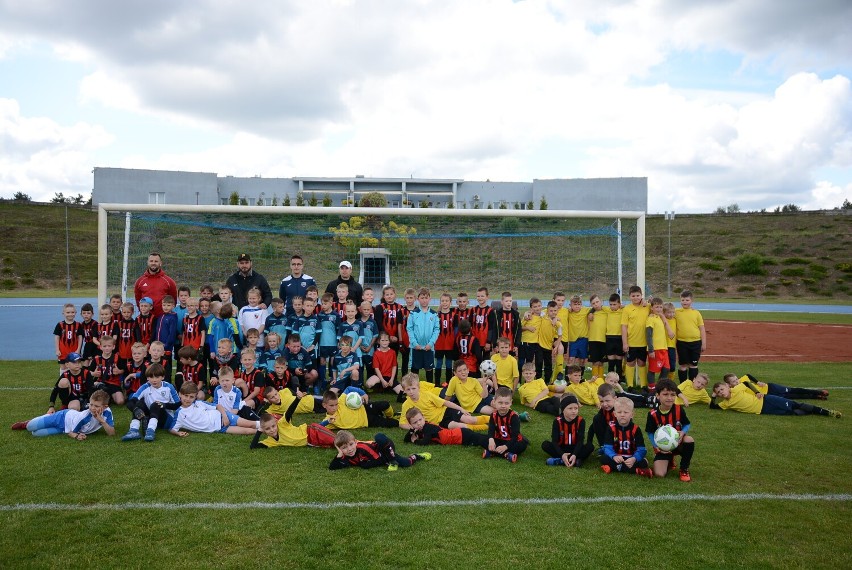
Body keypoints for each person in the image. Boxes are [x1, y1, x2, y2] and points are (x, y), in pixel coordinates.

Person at [398, 373, 488, 431]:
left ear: (418, 387)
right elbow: (402, 423)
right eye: (408, 389)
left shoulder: (426, 395)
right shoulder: (406, 405)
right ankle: (486, 427)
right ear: (404, 390)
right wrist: (414, 428)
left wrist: (461, 409)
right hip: (439, 423)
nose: (411, 392)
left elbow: (445, 402)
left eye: (413, 388)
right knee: (461, 427)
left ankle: (492, 419)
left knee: (470, 420)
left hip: (446, 412)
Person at [11, 389, 115, 439]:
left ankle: (50, 425)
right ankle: (27, 423)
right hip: (62, 417)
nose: (92, 408)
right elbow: (71, 433)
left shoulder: (108, 412)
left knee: (36, 434)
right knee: (30, 427)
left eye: (96, 406)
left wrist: (102, 421)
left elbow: (112, 433)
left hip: (64, 427)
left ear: (105, 407)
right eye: (91, 404)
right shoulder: (85, 416)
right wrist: (77, 436)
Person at [645, 379, 695, 481]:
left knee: (689, 439)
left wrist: (683, 432)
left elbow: (687, 423)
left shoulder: (678, 409)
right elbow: (650, 432)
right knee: (659, 474)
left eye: (672, 395)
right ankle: (670, 459)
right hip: (663, 448)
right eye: (665, 394)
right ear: (658, 395)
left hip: (678, 443)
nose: (669, 398)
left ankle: (684, 469)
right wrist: (656, 446)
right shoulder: (652, 414)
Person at [169, 381, 260, 436]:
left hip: (223, 416)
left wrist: (224, 416)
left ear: (195, 397)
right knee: (247, 431)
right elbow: (172, 429)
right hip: (219, 428)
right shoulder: (179, 413)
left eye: (191, 397)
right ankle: (265, 430)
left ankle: (270, 426)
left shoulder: (199, 403)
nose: (188, 399)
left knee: (250, 424)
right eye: (186, 396)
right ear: (180, 394)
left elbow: (218, 406)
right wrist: (178, 433)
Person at [711, 381, 840, 417]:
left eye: (721, 389)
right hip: (763, 411)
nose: (721, 393)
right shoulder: (725, 404)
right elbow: (713, 407)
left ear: (727, 387)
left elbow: (746, 383)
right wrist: (713, 397)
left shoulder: (736, 389)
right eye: (718, 392)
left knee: (795, 404)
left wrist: (756, 392)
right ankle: (813, 411)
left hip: (767, 400)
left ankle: (827, 412)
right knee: (792, 412)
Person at [121, 363, 180, 442]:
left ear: (163, 377)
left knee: (156, 404)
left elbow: (178, 405)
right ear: (147, 378)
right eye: (151, 377)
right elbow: (130, 402)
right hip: (152, 416)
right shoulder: (145, 386)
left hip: (166, 419)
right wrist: (136, 410)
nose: (154, 380)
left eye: (157, 377)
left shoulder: (168, 387)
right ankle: (134, 430)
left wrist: (164, 405)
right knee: (139, 404)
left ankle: (150, 432)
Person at [600, 397, 653, 477]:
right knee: (603, 458)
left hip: (631, 458)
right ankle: (636, 470)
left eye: (626, 412)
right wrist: (614, 456)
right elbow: (607, 447)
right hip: (617, 457)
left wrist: (634, 458)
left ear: (632, 414)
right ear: (615, 414)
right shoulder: (611, 428)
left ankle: (613, 468)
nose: (622, 415)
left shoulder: (636, 429)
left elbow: (642, 449)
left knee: (644, 462)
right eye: (619, 412)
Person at [328, 430, 430, 471]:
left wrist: (365, 465)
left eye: (351, 445)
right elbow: (332, 467)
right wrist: (339, 454)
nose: (349, 449)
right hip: (382, 456)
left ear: (355, 442)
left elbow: (379, 459)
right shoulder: (344, 456)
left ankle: (395, 460)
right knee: (405, 463)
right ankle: (412, 456)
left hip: (384, 448)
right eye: (344, 448)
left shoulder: (362, 448)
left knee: (379, 437)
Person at [542, 395, 594, 467]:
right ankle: (573, 461)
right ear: (563, 410)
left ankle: (562, 461)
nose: (573, 411)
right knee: (545, 445)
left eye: (576, 408)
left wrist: (575, 454)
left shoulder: (581, 421)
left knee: (590, 446)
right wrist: (562, 454)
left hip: (576, 449)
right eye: (570, 408)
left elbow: (580, 441)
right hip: (562, 448)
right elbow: (554, 441)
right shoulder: (557, 421)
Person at [482, 386, 529, 462]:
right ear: (494, 402)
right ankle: (506, 455)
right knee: (484, 440)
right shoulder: (493, 415)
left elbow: (515, 436)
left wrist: (505, 447)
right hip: (500, 439)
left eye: (506, 403)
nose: (503, 406)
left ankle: (493, 453)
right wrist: (491, 440)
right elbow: (491, 430)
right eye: (500, 403)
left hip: (512, 441)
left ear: (511, 403)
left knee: (521, 446)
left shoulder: (514, 417)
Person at [403, 407, 490, 447]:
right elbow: (406, 440)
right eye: (415, 423)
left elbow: (425, 442)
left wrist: (415, 441)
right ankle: (495, 442)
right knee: (479, 439)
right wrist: (411, 430)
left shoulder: (427, 428)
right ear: (411, 424)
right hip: (459, 435)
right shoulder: (420, 429)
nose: (418, 423)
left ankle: (496, 444)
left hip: (461, 435)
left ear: (423, 418)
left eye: (420, 420)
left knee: (480, 440)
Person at [320, 388, 398, 430]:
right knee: (394, 423)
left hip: (365, 408)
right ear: (324, 405)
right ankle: (394, 420)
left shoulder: (340, 401)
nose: (335, 407)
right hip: (367, 421)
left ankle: (391, 416)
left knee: (385, 404)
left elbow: (349, 389)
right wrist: (328, 421)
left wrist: (363, 393)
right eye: (331, 405)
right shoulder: (329, 420)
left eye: (336, 404)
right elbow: (318, 427)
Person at [407, 287, 440, 385]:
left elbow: (436, 329)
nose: (424, 300)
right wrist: (414, 343)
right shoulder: (413, 314)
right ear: (418, 299)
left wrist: (431, 343)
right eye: (422, 298)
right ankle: (413, 389)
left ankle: (429, 391)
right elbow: (410, 329)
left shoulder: (434, 315)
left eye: (426, 298)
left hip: (428, 347)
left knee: (429, 369)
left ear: (430, 299)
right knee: (414, 370)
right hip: (416, 347)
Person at [621, 285, 650, 390]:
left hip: (643, 342)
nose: (636, 297)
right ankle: (630, 385)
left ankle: (643, 385)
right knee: (630, 362)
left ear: (641, 295)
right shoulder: (627, 309)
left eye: (638, 295)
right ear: (629, 296)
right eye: (633, 296)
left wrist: (649, 301)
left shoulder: (647, 306)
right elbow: (624, 326)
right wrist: (625, 342)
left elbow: (659, 307)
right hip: (631, 342)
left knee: (642, 362)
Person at [724, 372, 829, 400]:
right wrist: (728, 387)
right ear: (729, 384)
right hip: (768, 396)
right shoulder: (735, 390)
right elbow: (727, 393)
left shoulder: (742, 380)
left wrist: (757, 381)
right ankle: (817, 397)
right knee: (792, 397)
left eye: (736, 379)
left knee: (792, 390)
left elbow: (748, 375)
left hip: (771, 388)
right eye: (733, 381)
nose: (737, 381)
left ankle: (819, 392)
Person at [133, 252, 178, 318]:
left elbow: (173, 300)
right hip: (146, 318)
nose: (153, 263)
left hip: (162, 318)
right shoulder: (140, 281)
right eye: (151, 261)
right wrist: (144, 312)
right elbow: (138, 300)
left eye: (156, 261)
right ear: (148, 262)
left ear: (160, 263)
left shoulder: (169, 281)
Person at [675, 290, 706, 381]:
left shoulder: (696, 313)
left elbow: (702, 328)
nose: (684, 302)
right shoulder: (676, 312)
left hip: (696, 342)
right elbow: (664, 309)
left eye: (687, 300)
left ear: (692, 301)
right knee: (683, 365)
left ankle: (693, 385)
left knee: (693, 364)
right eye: (683, 300)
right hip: (682, 342)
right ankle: (683, 386)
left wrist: (703, 343)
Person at [645, 297, 674, 392]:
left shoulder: (660, 318)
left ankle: (659, 387)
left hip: (664, 348)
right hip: (656, 349)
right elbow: (648, 335)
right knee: (652, 370)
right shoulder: (650, 319)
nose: (659, 309)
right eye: (656, 307)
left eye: (660, 307)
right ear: (652, 308)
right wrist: (651, 350)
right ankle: (652, 389)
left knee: (666, 368)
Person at [434, 293, 456, 385]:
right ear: (440, 302)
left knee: (448, 365)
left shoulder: (454, 315)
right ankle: (437, 384)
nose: (444, 302)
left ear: (450, 302)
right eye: (442, 301)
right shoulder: (436, 315)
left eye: (446, 301)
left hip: (450, 345)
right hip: (439, 344)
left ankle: (448, 384)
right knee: (438, 364)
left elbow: (456, 330)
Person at [54, 302, 82, 371]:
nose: (70, 314)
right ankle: (62, 380)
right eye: (68, 312)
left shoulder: (78, 325)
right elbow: (57, 337)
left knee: (74, 367)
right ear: (63, 313)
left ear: (75, 313)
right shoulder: (60, 325)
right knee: (63, 367)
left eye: (72, 312)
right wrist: (57, 349)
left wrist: (78, 349)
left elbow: (80, 337)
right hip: (63, 350)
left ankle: (73, 381)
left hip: (74, 350)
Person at [471, 287, 497, 357]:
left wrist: (489, 342)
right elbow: (470, 325)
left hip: (485, 342)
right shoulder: (473, 310)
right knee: (476, 361)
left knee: (485, 363)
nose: (480, 298)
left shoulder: (490, 311)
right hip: (475, 341)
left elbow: (491, 328)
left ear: (487, 297)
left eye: (482, 296)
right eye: (478, 296)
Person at [494, 291, 521, 356]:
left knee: (510, 361)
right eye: (506, 301)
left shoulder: (516, 314)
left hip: (511, 343)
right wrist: (495, 344)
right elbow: (494, 330)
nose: (509, 303)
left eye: (510, 301)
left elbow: (518, 330)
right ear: (502, 302)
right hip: (500, 344)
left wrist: (516, 344)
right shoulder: (497, 314)